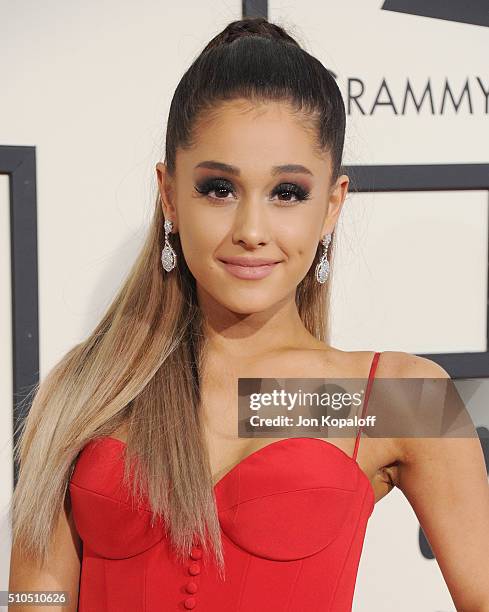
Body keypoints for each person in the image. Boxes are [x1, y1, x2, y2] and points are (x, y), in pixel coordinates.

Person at [8, 16, 489, 612]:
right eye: (218, 189)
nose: (252, 231)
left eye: (287, 192)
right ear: (169, 194)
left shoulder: (389, 397)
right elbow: (32, 598)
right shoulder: (88, 390)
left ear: (332, 204)